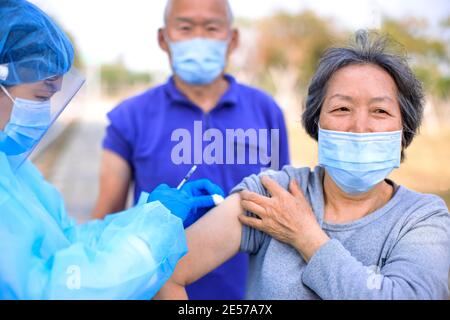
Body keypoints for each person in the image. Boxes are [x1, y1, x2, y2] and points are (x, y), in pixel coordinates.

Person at [155, 31, 450, 300]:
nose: (360, 127)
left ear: (403, 133)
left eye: (380, 111)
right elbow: (165, 274)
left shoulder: (423, 219)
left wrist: (306, 236)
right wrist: (151, 227)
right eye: (342, 108)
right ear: (317, 123)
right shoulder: (272, 193)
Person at [0, 0, 224, 299]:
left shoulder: (13, 170)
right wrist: (153, 232)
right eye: (40, 96)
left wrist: (152, 216)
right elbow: (56, 291)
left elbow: (69, 241)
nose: (44, 111)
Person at [92, 0, 290, 299]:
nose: (199, 38)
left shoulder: (266, 111)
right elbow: (104, 222)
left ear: (232, 39)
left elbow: (283, 208)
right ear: (163, 38)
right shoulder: (129, 117)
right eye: (185, 27)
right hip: (156, 291)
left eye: (212, 28)